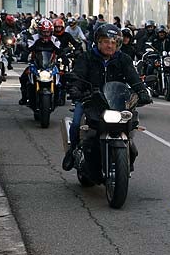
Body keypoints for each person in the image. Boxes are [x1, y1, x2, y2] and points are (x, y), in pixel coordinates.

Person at [62, 23, 152, 171]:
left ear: (118, 44)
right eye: (105, 42)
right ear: (98, 42)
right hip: (90, 99)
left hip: (115, 101)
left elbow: (133, 77)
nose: (109, 45)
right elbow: (78, 75)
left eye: (113, 42)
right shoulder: (87, 57)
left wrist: (142, 91)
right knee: (77, 123)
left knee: (131, 123)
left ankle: (128, 150)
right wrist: (75, 88)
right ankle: (72, 152)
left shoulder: (124, 59)